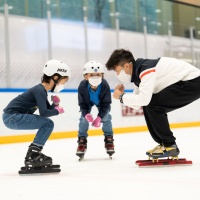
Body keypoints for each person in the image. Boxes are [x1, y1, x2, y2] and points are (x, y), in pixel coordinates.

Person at [105, 49, 200, 159]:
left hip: (193, 81)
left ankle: (170, 145)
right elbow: (138, 103)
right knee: (150, 105)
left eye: (117, 70)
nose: (117, 75)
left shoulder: (146, 69)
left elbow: (144, 99)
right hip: (187, 82)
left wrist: (121, 97)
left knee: (154, 105)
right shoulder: (138, 74)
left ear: (126, 66)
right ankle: (164, 144)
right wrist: (123, 95)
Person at [2, 59, 71, 170]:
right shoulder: (40, 90)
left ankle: (33, 154)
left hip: (11, 117)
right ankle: (33, 155)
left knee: (47, 123)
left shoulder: (41, 90)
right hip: (12, 117)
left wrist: (55, 104)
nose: (63, 84)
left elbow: (48, 109)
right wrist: (57, 111)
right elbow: (44, 113)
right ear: (56, 77)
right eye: (64, 81)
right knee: (48, 124)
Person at [76, 61, 115, 159]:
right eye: (92, 75)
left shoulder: (104, 85)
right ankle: (82, 140)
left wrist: (99, 117)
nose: (95, 76)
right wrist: (86, 114)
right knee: (83, 119)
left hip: (101, 103)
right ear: (86, 76)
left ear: (102, 75)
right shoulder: (82, 86)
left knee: (106, 117)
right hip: (88, 102)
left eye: (98, 74)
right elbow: (82, 104)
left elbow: (106, 104)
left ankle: (109, 139)